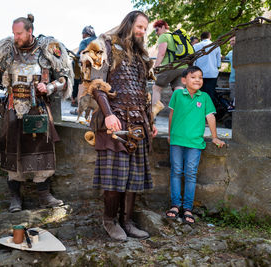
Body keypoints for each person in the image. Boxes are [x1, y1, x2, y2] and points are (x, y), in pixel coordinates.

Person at [0, 14, 73, 212]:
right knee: (13, 152)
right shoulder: (6, 51)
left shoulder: (47, 50)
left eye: (19, 33)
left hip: (38, 109)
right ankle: (15, 198)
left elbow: (63, 78)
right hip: (13, 110)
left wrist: (50, 87)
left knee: (42, 152)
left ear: (30, 31)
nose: (16, 37)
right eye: (14, 33)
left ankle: (44, 195)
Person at [83, 11, 158, 241]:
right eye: (139, 26)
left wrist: (150, 121)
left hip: (137, 122)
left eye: (146, 29)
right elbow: (95, 85)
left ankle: (127, 221)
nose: (142, 31)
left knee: (133, 177)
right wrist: (107, 115)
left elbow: (144, 93)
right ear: (128, 23)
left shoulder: (141, 56)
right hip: (114, 121)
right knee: (114, 177)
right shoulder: (104, 46)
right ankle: (110, 221)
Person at [165, 66, 225, 224]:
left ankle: (188, 208)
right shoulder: (178, 94)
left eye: (200, 77)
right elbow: (171, 114)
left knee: (190, 174)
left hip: (195, 143)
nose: (198, 80)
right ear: (184, 80)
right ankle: (175, 205)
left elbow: (210, 117)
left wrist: (214, 137)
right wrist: (170, 134)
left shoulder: (204, 97)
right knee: (176, 172)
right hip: (177, 141)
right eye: (193, 77)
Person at [152, 19, 185, 109]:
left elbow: (161, 53)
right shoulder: (176, 37)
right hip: (183, 67)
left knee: (156, 88)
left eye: (156, 29)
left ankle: (153, 114)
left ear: (163, 27)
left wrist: (155, 67)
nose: (156, 33)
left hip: (170, 66)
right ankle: (181, 113)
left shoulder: (164, 36)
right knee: (178, 90)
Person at [70, 25, 97, 114]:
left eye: (83, 34)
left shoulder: (85, 41)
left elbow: (82, 54)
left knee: (81, 87)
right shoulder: (100, 41)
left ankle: (79, 110)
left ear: (86, 34)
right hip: (100, 71)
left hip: (87, 69)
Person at [193, 32, 221, 105]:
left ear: (201, 38)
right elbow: (218, 64)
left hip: (199, 74)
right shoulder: (216, 46)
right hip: (212, 74)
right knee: (210, 95)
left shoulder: (196, 46)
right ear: (210, 37)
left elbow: (194, 62)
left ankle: (199, 111)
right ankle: (209, 113)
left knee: (198, 94)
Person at [223, 36, 236, 110]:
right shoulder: (230, 52)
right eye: (230, 41)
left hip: (243, 79)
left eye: (233, 40)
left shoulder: (245, 51)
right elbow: (224, 58)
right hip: (232, 79)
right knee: (232, 98)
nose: (231, 42)